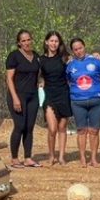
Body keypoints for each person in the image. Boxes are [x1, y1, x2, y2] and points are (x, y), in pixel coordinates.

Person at [66, 37, 100, 168]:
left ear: (84, 46)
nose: (78, 51)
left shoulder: (96, 61)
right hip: (78, 102)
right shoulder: (70, 66)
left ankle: (94, 158)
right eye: (75, 49)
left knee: (94, 131)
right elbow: (65, 82)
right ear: (72, 51)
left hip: (96, 101)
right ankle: (82, 158)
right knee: (81, 131)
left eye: (80, 48)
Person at [5, 30, 41, 169]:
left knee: (29, 127)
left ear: (32, 40)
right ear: (19, 43)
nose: (26, 42)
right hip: (17, 95)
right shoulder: (14, 56)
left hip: (33, 96)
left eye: (28, 40)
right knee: (19, 126)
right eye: (23, 40)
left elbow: (41, 73)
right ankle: (14, 158)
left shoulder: (36, 56)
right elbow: (9, 78)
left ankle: (28, 157)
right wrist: (15, 98)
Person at [39, 31, 72, 166]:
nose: (54, 43)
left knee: (62, 127)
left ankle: (61, 157)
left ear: (59, 43)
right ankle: (51, 155)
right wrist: (40, 81)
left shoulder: (65, 58)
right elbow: (37, 75)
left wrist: (94, 55)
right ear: (46, 42)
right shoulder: (40, 59)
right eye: (51, 41)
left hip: (63, 94)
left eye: (56, 41)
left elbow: (81, 58)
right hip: (49, 95)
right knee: (52, 129)